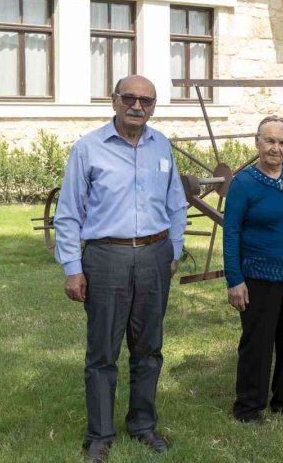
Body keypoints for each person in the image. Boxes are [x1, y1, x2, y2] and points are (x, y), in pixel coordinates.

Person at [54, 75, 187, 463]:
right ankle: (99, 434)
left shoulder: (160, 145)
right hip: (106, 257)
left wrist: (174, 249)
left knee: (149, 349)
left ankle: (143, 424)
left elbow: (175, 203)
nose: (137, 106)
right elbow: (68, 214)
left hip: (154, 255)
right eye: (129, 98)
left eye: (146, 101)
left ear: (154, 107)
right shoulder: (88, 149)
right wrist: (72, 268)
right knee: (102, 352)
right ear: (114, 100)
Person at [223, 115, 283, 424]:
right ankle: (248, 407)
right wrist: (235, 280)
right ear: (257, 141)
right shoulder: (244, 182)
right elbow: (231, 232)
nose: (276, 148)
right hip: (259, 277)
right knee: (257, 343)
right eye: (270, 141)